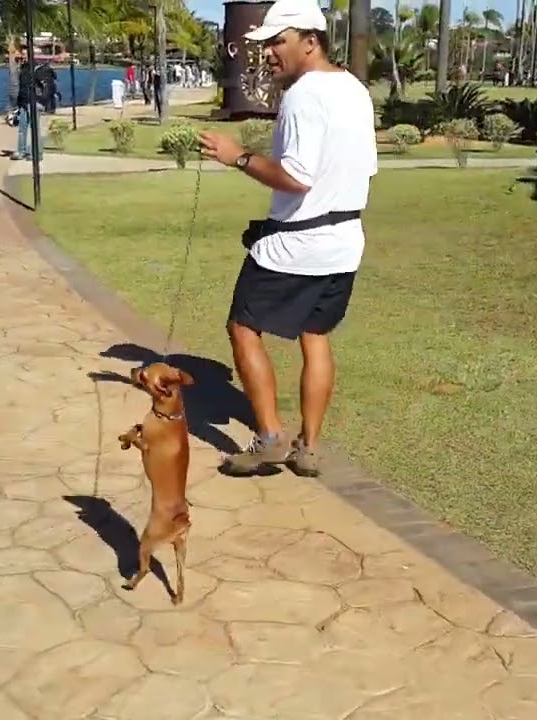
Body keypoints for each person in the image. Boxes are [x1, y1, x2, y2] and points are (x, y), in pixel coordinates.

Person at [198, 0, 377, 478]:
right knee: (314, 335)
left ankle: (272, 437)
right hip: (343, 242)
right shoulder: (355, 91)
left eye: (278, 42)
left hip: (297, 247)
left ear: (310, 41)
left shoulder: (303, 96)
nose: (270, 53)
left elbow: (296, 178)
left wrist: (237, 157)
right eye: (267, 43)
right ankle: (310, 447)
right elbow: (360, 172)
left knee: (242, 325)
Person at [12, 62, 42, 162]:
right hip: (24, 102)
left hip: (32, 102)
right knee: (23, 128)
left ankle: (35, 152)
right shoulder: (23, 72)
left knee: (33, 129)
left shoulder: (35, 72)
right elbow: (20, 89)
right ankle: (23, 151)